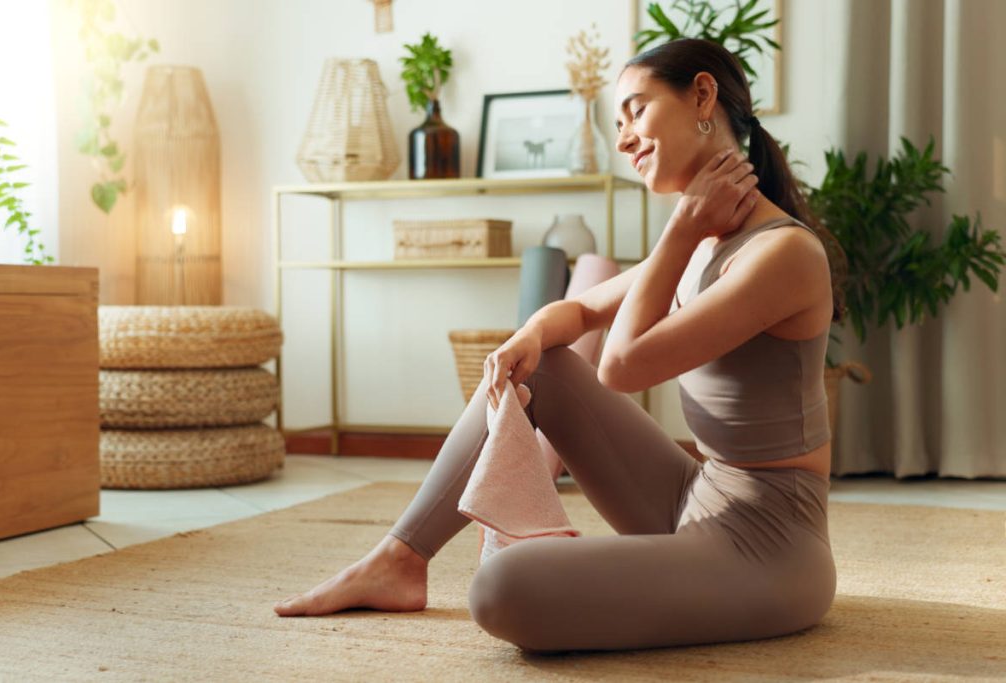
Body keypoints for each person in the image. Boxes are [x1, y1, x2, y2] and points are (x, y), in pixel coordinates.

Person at [274, 37, 844, 654]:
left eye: (636, 111)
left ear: (702, 95)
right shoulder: (704, 244)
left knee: (500, 590)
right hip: (694, 494)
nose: (624, 139)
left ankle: (535, 568)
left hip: (770, 546)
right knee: (538, 363)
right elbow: (577, 311)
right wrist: (527, 336)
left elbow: (623, 366)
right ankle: (398, 558)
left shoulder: (783, 254)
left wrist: (679, 232)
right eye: (617, 122)